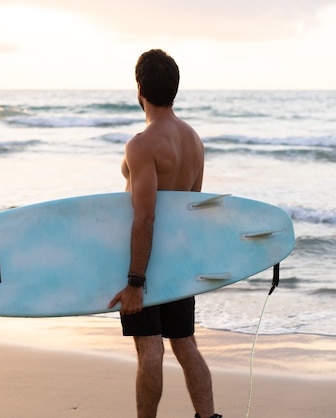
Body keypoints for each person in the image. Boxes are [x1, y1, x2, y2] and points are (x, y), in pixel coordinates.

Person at [108, 49, 221, 418]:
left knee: (151, 349)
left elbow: (144, 218)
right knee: (185, 343)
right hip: (179, 261)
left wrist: (135, 281)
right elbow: (192, 213)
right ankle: (208, 417)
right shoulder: (194, 142)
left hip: (146, 264)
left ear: (139, 88)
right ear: (174, 89)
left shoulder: (141, 145)